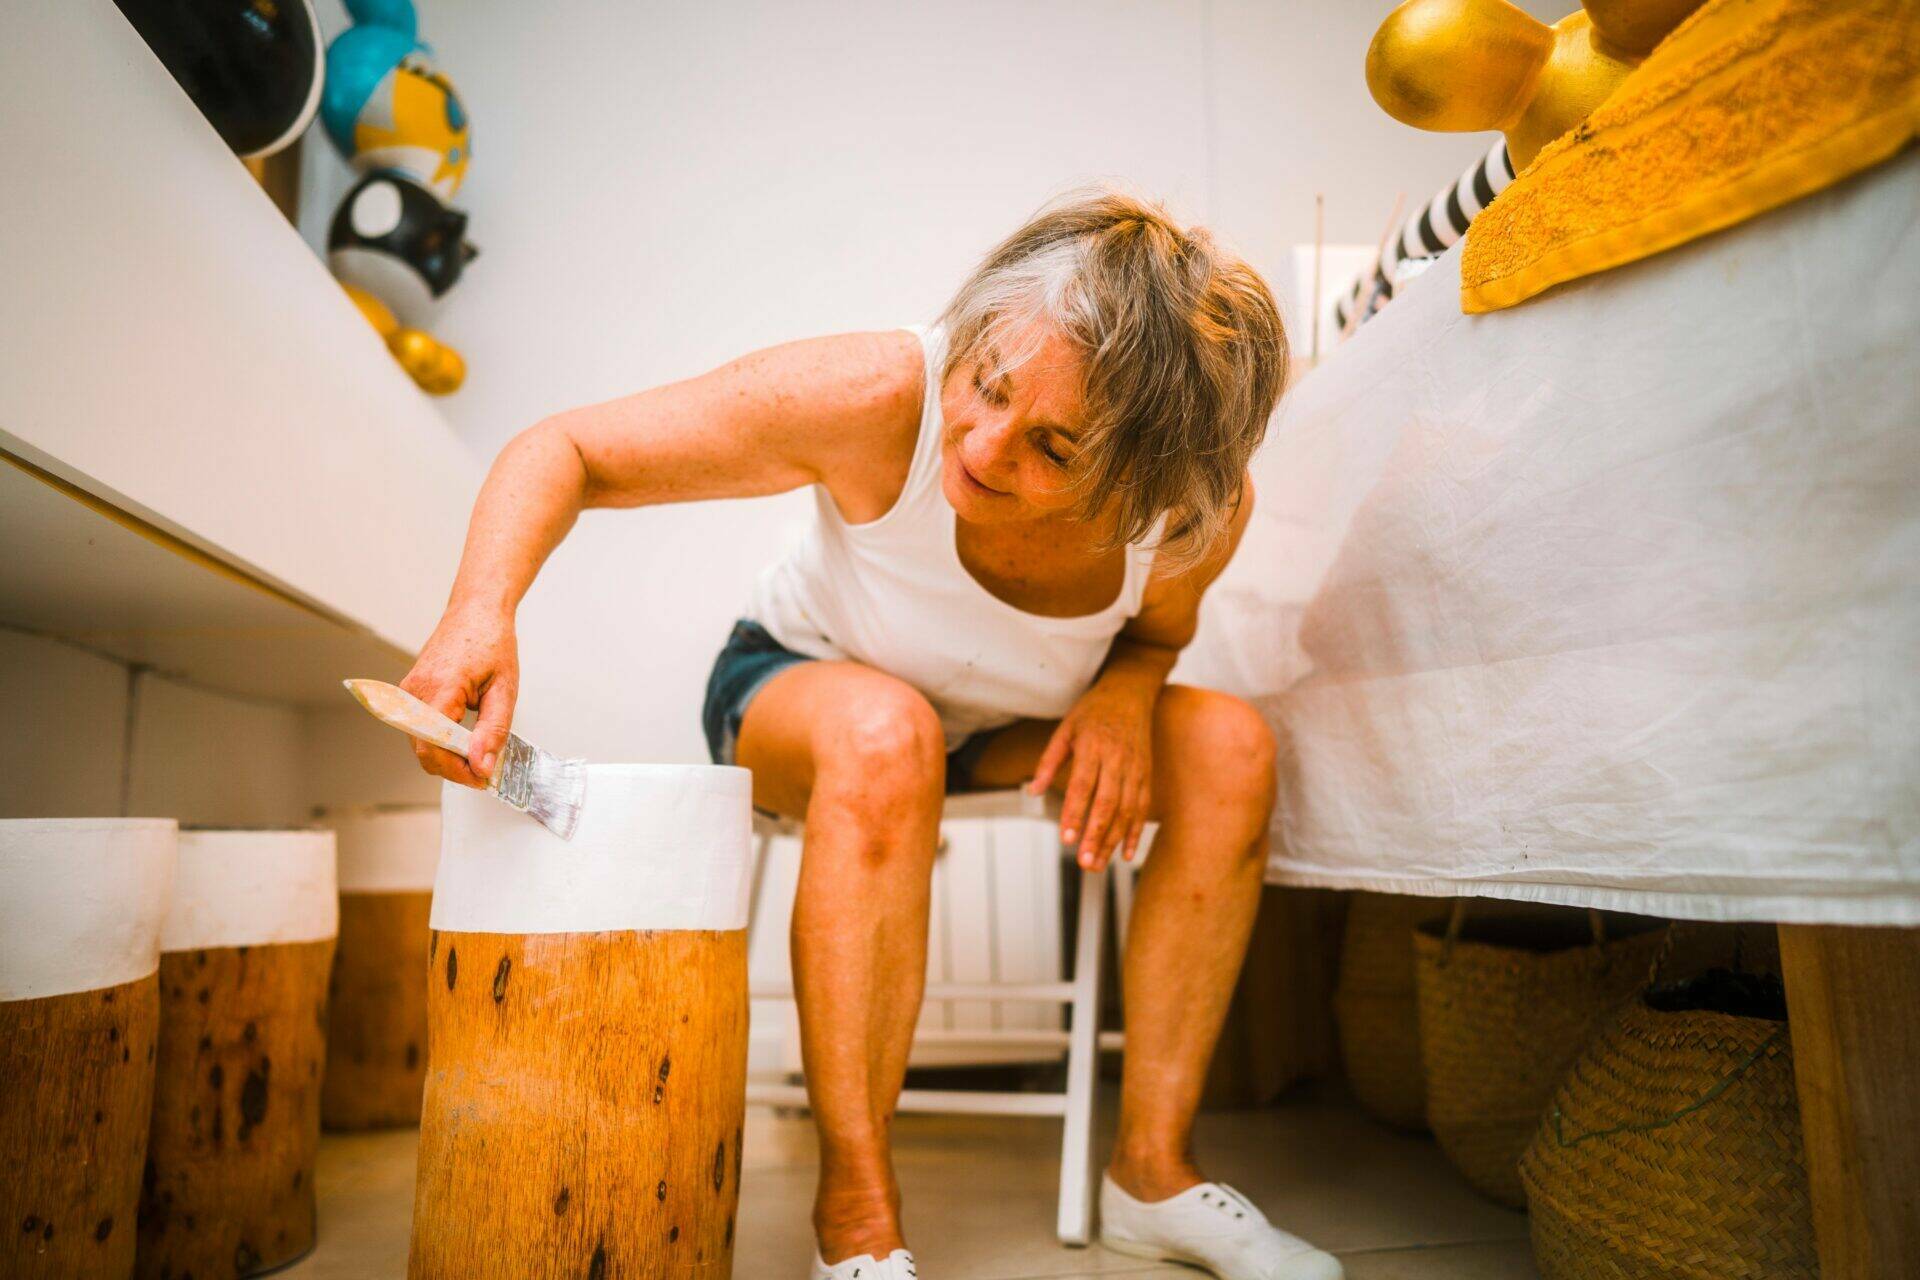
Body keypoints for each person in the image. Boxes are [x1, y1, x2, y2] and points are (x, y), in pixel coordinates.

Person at [400, 189, 1341, 1280]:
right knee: (887, 730)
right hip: (799, 689)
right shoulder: (877, 393)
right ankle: (856, 1216)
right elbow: (567, 449)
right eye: (986, 386)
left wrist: (1127, 694)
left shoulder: (1191, 512)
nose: (984, 446)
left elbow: (1151, 638)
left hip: (1002, 723)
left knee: (1231, 748)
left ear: (1140, 485)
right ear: (980, 336)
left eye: (1054, 447)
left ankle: (1154, 1174)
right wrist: (480, 612)